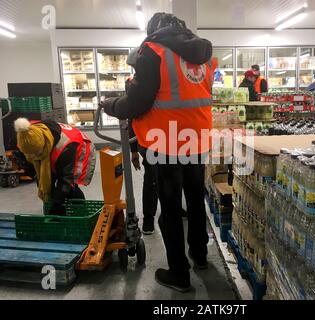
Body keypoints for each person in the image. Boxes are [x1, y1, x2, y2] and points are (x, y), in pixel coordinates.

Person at [101, 12, 215, 292]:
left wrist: (111, 105)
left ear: (155, 30)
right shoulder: (202, 53)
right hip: (196, 139)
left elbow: (138, 103)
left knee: (171, 209)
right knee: (196, 199)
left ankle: (179, 274)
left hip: (165, 143)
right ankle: (199, 256)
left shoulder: (153, 51)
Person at [125, 49, 187, 236]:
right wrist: (134, 150)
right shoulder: (137, 85)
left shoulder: (163, 81)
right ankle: (149, 219)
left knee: (174, 177)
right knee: (152, 179)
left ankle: (174, 210)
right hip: (149, 142)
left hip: (171, 139)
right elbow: (131, 118)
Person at [14, 118, 96, 215]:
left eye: (36, 153)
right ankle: (52, 211)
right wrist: (35, 174)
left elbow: (66, 179)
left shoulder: (65, 146)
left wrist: (58, 203)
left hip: (79, 149)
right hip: (53, 151)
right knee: (48, 185)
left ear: (44, 144)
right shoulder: (26, 138)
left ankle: (81, 213)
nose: (33, 157)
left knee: (71, 186)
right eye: (29, 154)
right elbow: (30, 166)